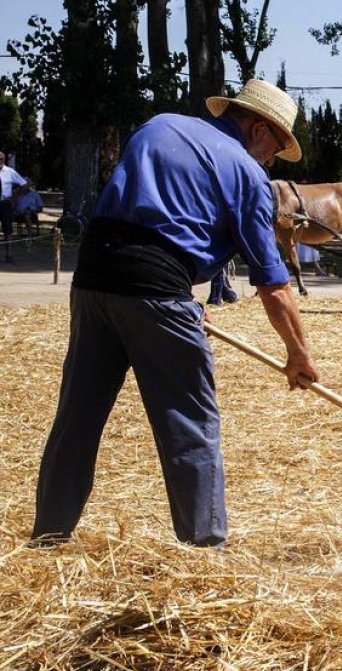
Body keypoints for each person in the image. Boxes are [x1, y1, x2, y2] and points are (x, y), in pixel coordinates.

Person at [30, 79, 320, 549]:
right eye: (277, 146)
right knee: (190, 425)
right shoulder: (247, 173)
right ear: (258, 129)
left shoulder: (158, 125)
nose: (271, 159)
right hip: (156, 288)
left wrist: (178, 303)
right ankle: (206, 552)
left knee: (77, 417)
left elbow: (149, 215)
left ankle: (47, 536)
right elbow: (274, 285)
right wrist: (298, 356)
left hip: (93, 279)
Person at [0, 151, 29, 263]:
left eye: (1, 159)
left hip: (5, 203)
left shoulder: (10, 172)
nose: (0, 161)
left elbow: (24, 185)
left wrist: (14, 197)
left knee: (8, 229)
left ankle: (9, 254)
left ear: (4, 160)